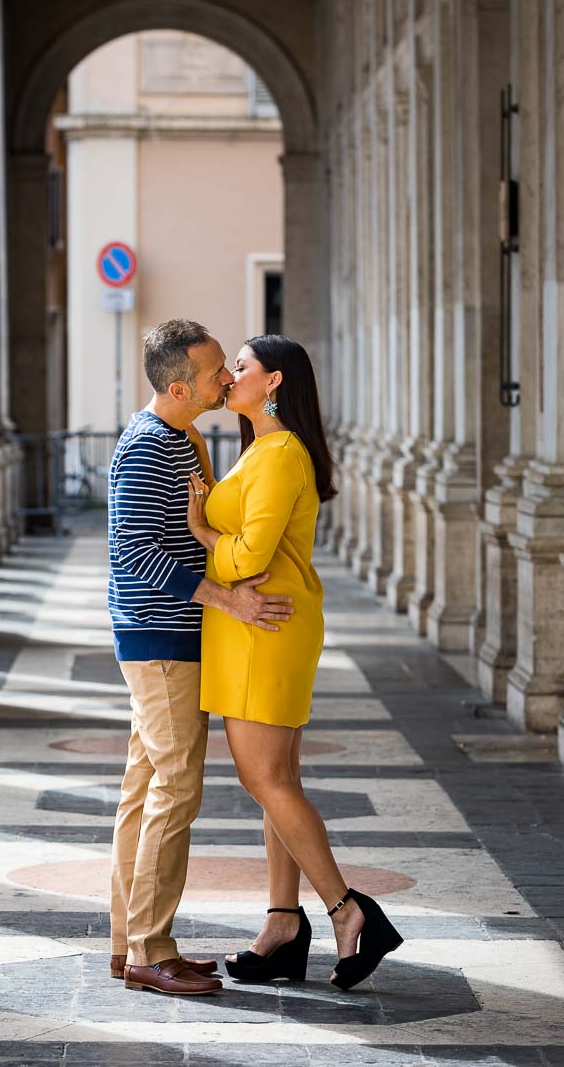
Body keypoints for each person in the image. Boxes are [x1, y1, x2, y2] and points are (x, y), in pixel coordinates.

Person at [187, 334, 403, 991]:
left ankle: (348, 911)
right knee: (275, 783)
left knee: (268, 782)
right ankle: (283, 926)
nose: (229, 377)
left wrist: (201, 529)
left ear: (274, 381)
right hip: (260, 629)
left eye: (242, 367)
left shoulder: (279, 453)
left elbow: (249, 556)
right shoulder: (264, 449)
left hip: (264, 631)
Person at [108, 319, 294, 997]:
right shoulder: (149, 446)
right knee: (176, 787)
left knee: (145, 788)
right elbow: (132, 551)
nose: (226, 377)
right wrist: (225, 598)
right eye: (217, 369)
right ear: (181, 385)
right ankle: (152, 951)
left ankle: (130, 942)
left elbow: (184, 536)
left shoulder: (181, 436)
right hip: (160, 640)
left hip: (172, 635)